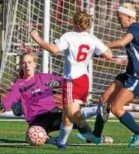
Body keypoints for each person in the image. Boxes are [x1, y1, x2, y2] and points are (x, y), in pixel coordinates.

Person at [30, 11, 113, 148]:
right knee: (67, 116)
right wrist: (92, 53)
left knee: (72, 115)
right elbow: (109, 55)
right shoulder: (92, 39)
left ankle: (97, 110)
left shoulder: (69, 36)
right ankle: (61, 143)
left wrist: (37, 38)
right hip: (84, 80)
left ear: (74, 22)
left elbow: (54, 50)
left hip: (72, 80)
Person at [83, 3, 139, 148]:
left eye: (120, 17)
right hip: (129, 73)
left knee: (116, 108)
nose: (118, 20)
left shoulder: (134, 28)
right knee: (104, 100)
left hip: (138, 76)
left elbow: (122, 42)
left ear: (129, 16)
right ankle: (96, 136)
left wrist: (101, 45)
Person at [0, 52, 95, 143]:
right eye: (24, 63)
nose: (27, 65)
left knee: (75, 117)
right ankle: (52, 140)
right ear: (21, 66)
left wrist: (62, 81)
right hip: (37, 119)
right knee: (33, 135)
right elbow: (11, 98)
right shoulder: (18, 85)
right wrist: (2, 108)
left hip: (53, 113)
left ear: (35, 64)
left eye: (29, 62)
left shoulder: (44, 77)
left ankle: (91, 137)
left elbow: (65, 81)